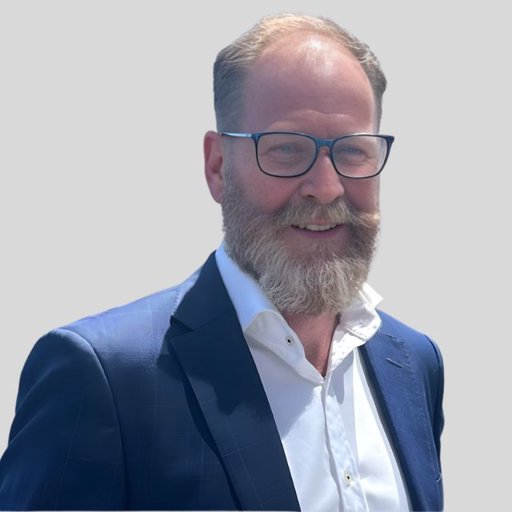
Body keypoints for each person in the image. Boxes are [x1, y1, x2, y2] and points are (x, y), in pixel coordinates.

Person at [0, 12, 444, 512]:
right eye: (286, 149)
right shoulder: (104, 377)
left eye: (354, 152)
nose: (325, 187)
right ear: (217, 167)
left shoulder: (413, 364)